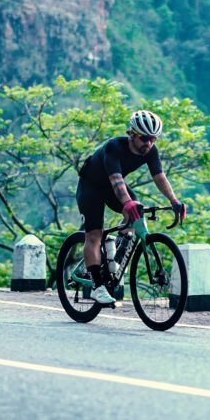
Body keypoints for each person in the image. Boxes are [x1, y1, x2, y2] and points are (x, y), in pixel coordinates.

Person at [76, 110, 186, 304]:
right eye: (144, 138)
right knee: (94, 235)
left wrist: (174, 201)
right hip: (91, 188)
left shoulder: (150, 151)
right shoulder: (114, 147)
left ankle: (114, 256)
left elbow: (159, 177)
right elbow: (117, 180)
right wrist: (127, 203)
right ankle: (97, 286)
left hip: (112, 188)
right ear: (132, 133)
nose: (149, 143)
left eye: (153, 139)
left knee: (137, 213)